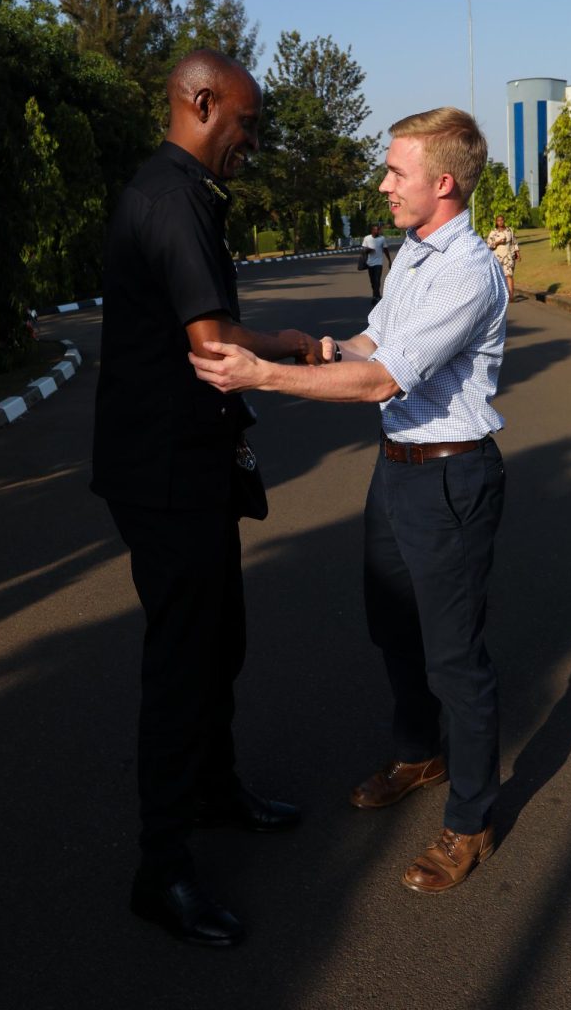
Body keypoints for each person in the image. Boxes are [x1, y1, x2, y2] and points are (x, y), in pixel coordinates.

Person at [190, 107, 508, 895]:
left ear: (442, 182)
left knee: (455, 659)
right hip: (396, 467)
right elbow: (371, 343)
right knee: (390, 626)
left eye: (396, 171)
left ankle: (469, 824)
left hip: (449, 476)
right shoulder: (412, 252)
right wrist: (308, 345)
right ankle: (418, 752)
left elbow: (381, 380)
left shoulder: (468, 271)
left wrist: (263, 376)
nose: (383, 183)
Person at [91, 48, 326, 947]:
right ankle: (163, 869)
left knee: (219, 636)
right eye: (246, 121)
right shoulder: (174, 195)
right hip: (164, 471)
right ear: (198, 102)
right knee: (183, 658)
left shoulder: (176, 190)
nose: (251, 141)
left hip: (188, 459)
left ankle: (217, 789)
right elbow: (211, 338)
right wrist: (294, 347)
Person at [486, 213, 520, 301]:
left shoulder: (510, 230)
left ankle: (511, 296)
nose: (500, 222)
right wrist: (498, 242)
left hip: (508, 257)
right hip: (497, 258)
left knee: (509, 275)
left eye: (502, 220)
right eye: (498, 220)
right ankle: (499, 296)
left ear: (504, 221)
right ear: (496, 222)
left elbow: (514, 242)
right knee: (498, 276)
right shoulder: (493, 232)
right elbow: (489, 245)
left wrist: (518, 253)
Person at [361, 222, 391, 304]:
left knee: (377, 280)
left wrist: (389, 261)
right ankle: (376, 295)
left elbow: (386, 250)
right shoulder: (367, 238)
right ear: (372, 230)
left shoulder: (382, 239)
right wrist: (368, 250)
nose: (378, 231)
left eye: (378, 230)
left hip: (378, 263)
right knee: (372, 281)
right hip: (370, 263)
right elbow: (363, 250)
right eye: (376, 230)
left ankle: (375, 297)